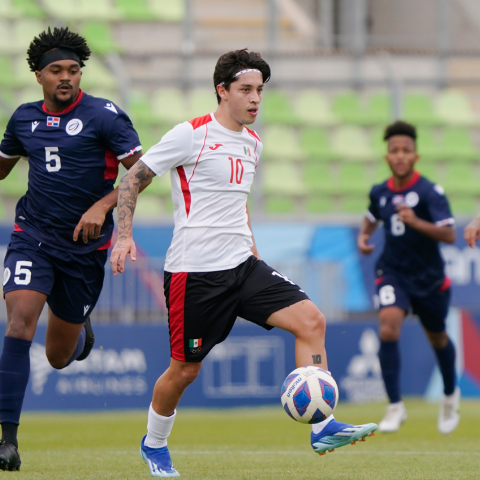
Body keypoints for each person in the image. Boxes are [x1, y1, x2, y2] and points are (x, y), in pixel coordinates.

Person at [110, 48, 377, 477]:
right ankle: (154, 444)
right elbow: (132, 180)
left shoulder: (253, 143)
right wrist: (123, 236)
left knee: (311, 321)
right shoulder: (190, 134)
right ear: (222, 91)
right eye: (246, 90)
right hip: (194, 274)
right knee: (184, 370)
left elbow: (239, 204)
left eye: (260, 91)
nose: (255, 99)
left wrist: (252, 250)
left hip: (243, 265)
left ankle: (323, 426)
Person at [0, 27, 148, 471]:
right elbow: (2, 169)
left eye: (73, 70)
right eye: (56, 70)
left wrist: (102, 207)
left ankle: (80, 329)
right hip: (33, 237)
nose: (66, 77)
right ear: (38, 76)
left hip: (84, 249)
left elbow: (142, 172)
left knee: (57, 357)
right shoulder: (23, 119)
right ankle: (8, 440)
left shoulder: (106, 116)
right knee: (19, 324)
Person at [358, 120, 459, 434]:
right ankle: (395, 407)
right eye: (394, 151)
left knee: (438, 337)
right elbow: (372, 215)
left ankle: (449, 396)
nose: (400, 156)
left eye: (406, 151)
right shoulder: (380, 192)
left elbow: (449, 234)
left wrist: (416, 222)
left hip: (429, 278)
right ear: (387, 157)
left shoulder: (430, 192)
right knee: (388, 327)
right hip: (393, 272)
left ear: (416, 156)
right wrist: (364, 237)